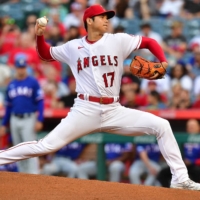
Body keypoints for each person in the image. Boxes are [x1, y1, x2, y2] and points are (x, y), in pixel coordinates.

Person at [0, 4, 199, 190]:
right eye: (101, 17)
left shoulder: (117, 40)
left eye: (107, 17)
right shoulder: (73, 46)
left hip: (114, 110)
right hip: (85, 109)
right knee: (46, 145)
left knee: (162, 126)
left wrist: (163, 61)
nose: (106, 20)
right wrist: (40, 36)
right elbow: (45, 54)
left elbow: (149, 41)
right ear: (89, 21)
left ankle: (180, 178)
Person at [0, 54, 44, 174]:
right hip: (14, 119)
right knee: (17, 151)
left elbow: (40, 101)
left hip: (29, 118)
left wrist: (40, 119)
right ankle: (23, 178)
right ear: (15, 68)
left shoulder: (33, 82)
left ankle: (34, 175)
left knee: (30, 149)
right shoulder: (11, 84)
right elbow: (8, 107)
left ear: (26, 67)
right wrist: (4, 124)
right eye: (19, 67)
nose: (21, 69)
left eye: (23, 67)